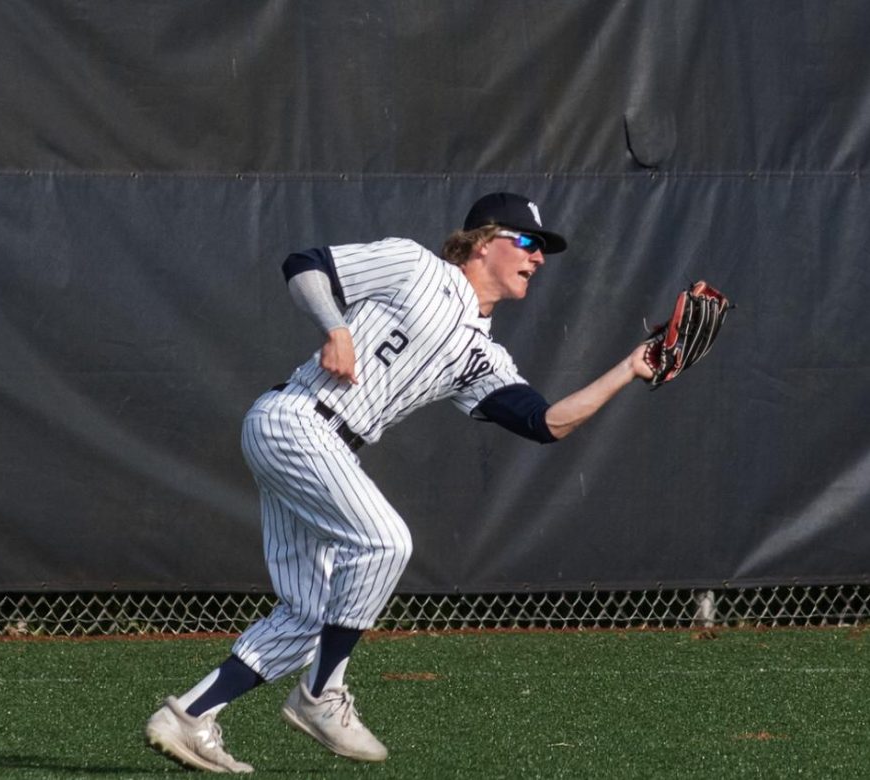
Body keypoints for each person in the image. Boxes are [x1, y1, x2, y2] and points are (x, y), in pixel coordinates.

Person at [145, 192, 654, 773]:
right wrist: (335, 327)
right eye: (529, 242)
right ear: (485, 241)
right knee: (386, 542)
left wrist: (630, 369)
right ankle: (320, 696)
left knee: (309, 615)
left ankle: (189, 716)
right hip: (297, 419)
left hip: (328, 445)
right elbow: (305, 265)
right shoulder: (415, 266)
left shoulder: (483, 354)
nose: (539, 258)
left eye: (543, 250)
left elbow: (546, 423)